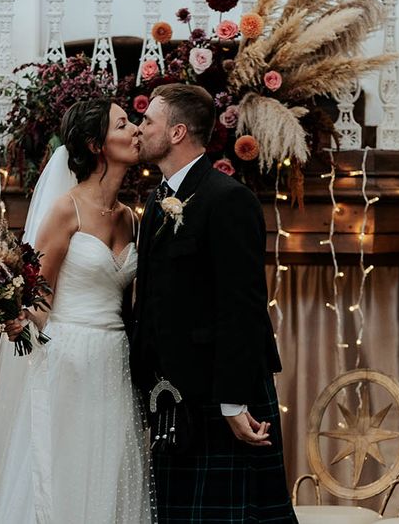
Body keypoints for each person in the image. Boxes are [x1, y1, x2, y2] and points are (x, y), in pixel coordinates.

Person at [0, 98, 153, 523]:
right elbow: (38, 297)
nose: (136, 129)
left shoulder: (131, 219)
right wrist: (19, 321)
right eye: (123, 124)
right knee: (60, 471)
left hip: (115, 362)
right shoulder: (67, 209)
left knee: (109, 472)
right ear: (95, 143)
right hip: (67, 356)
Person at [131, 83, 297, 523]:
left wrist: (233, 402)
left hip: (221, 394)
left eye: (149, 120)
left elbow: (241, 307)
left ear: (178, 132)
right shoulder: (156, 200)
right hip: (177, 398)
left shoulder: (229, 199)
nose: (139, 128)